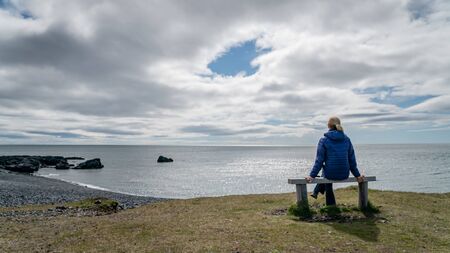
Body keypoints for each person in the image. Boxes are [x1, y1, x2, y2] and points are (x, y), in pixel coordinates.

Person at [305, 116, 364, 206]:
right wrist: (357, 175)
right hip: (344, 173)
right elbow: (352, 160)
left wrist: (312, 176)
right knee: (327, 172)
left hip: (330, 174)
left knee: (325, 173)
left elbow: (319, 161)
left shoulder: (324, 140)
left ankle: (329, 204)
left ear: (328, 125)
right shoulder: (347, 140)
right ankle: (326, 201)